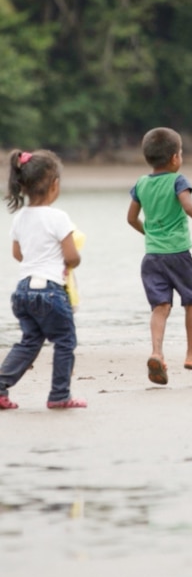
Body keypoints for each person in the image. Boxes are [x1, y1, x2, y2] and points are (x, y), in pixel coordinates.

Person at [127, 127, 192, 386]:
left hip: (152, 258)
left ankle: (156, 353)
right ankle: (191, 355)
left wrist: (149, 234)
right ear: (174, 158)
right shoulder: (177, 180)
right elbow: (189, 206)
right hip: (178, 255)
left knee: (160, 307)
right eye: (180, 153)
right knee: (191, 301)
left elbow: (131, 219)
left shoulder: (140, 183)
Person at [0, 150, 86, 410]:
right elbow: (71, 256)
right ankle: (59, 395)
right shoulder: (58, 217)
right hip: (50, 291)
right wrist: (72, 263)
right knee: (65, 341)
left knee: (29, 341)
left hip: (24, 291)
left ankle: (1, 386)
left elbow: (18, 254)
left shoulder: (20, 217)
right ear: (54, 184)